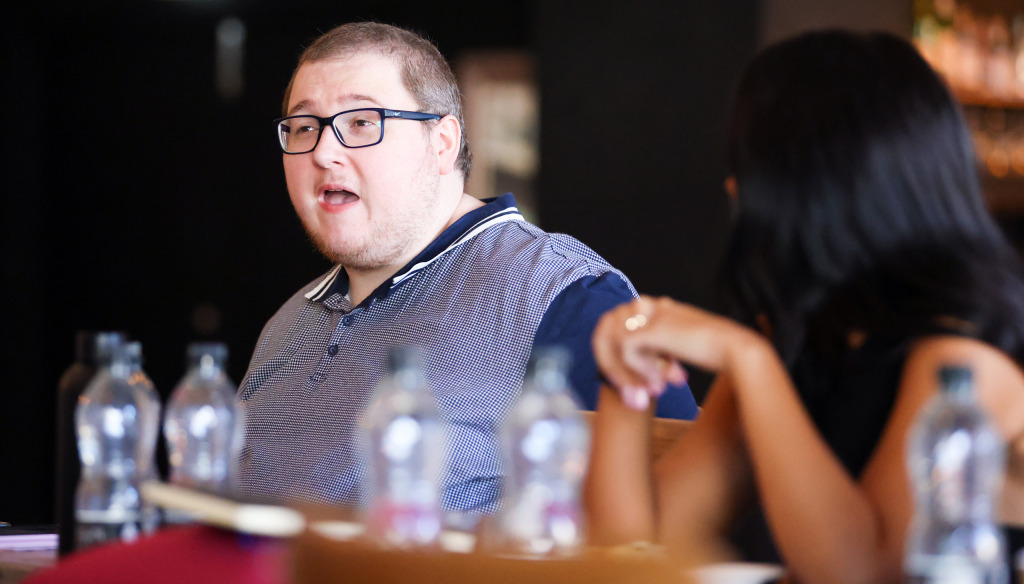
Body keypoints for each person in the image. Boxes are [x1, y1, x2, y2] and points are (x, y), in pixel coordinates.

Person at [585, 30, 1024, 584]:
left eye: (751, 167)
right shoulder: (801, 342)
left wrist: (747, 356)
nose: (732, 187)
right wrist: (624, 379)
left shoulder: (963, 358)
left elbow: (862, 572)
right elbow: (634, 553)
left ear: (812, 189)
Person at [236, 22, 698, 513]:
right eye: (305, 127)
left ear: (442, 144)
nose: (324, 152)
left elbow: (677, 519)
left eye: (361, 123)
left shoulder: (565, 294)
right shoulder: (287, 322)